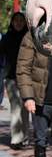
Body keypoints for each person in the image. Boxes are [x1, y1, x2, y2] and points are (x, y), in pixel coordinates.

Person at [0, 12, 30, 149]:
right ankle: (16, 139)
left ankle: (25, 137)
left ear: (25, 23)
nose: (18, 23)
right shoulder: (6, 38)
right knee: (15, 107)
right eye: (16, 20)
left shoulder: (29, 38)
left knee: (25, 108)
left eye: (21, 20)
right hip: (11, 77)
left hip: (27, 78)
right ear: (12, 23)